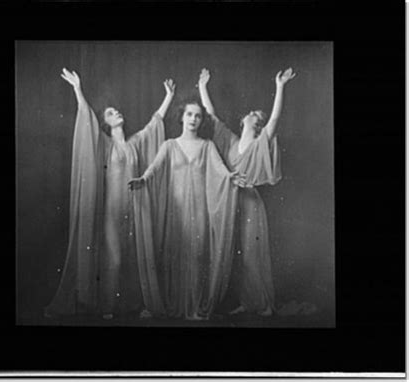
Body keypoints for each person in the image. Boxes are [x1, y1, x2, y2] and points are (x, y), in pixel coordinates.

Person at [45, 68, 175, 320]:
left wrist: (168, 96)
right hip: (111, 212)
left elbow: (154, 124)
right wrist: (77, 90)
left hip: (135, 210)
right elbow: (86, 119)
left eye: (117, 111)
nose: (117, 113)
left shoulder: (135, 143)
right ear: (107, 122)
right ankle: (106, 308)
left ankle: (132, 306)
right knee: (114, 261)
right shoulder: (104, 143)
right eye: (111, 113)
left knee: (133, 260)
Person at [128, 98, 247, 320]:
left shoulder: (207, 145)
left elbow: (221, 170)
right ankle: (175, 306)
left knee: (198, 254)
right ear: (181, 117)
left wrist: (230, 177)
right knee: (174, 254)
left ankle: (194, 309)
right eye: (190, 114)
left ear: (202, 120)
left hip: (200, 209)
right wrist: (143, 180)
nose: (193, 119)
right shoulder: (169, 145)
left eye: (198, 115)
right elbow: (154, 168)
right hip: (176, 210)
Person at [198, 67, 295, 316]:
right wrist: (202, 87)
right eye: (251, 112)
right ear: (244, 121)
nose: (253, 114)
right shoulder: (230, 140)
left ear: (258, 125)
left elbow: (275, 119)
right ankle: (247, 301)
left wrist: (280, 86)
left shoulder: (261, 142)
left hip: (250, 203)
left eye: (257, 115)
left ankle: (263, 304)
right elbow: (211, 115)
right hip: (228, 201)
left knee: (251, 255)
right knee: (234, 256)